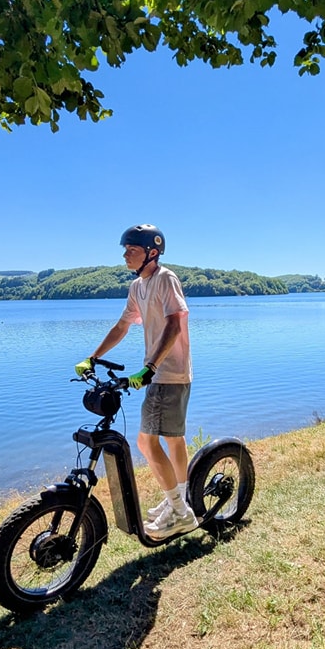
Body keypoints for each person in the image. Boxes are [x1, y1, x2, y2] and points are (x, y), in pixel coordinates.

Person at [75, 224, 197, 540]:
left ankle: (181, 513)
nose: (125, 254)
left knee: (146, 442)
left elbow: (174, 324)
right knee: (172, 439)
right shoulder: (137, 288)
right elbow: (122, 326)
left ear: (151, 252)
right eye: (125, 249)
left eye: (132, 249)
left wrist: (149, 368)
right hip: (161, 374)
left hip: (167, 374)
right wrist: (93, 357)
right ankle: (178, 501)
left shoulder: (165, 279)